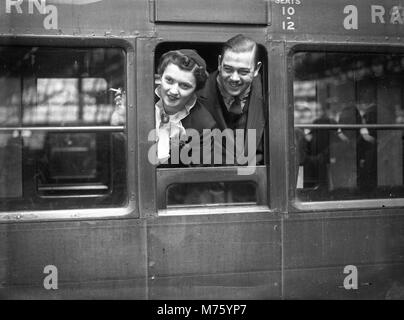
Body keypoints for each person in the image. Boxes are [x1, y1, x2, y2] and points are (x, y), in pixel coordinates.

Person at [111, 49, 216, 165]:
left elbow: (197, 175)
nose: (174, 91)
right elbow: (116, 152)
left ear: (195, 89)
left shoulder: (204, 124)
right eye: (169, 80)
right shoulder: (138, 99)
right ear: (160, 77)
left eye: (185, 86)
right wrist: (120, 118)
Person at [198, 34, 266, 165]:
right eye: (228, 69)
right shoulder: (195, 95)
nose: (234, 78)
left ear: (256, 69)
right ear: (219, 63)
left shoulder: (270, 94)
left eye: (243, 72)